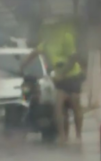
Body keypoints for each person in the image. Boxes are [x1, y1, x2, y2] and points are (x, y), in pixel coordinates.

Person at [21, 16, 84, 144]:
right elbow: (34, 53)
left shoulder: (67, 37)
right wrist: (22, 65)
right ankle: (63, 137)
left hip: (73, 76)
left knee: (75, 104)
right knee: (58, 106)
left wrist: (63, 73)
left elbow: (73, 58)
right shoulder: (46, 42)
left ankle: (78, 135)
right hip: (59, 78)